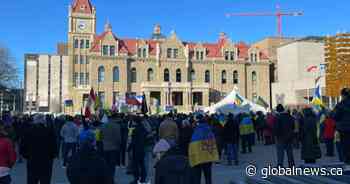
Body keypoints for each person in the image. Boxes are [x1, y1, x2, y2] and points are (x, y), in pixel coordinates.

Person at [20, 114, 58, 184]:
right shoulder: (49, 131)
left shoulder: (28, 131)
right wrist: (52, 156)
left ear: (34, 121)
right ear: (44, 121)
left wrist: (27, 156)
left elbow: (22, 146)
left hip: (32, 160)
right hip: (46, 161)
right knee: (45, 180)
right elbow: (54, 146)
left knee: (32, 180)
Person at [154, 119, 193, 184]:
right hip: (172, 141)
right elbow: (177, 134)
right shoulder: (174, 124)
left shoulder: (162, 124)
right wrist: (176, 141)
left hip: (163, 141)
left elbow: (159, 133)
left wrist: (160, 140)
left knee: (162, 160)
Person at [189, 113, 218, 184]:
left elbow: (192, 145)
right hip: (208, 157)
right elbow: (213, 143)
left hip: (198, 157)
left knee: (197, 177)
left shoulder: (195, 131)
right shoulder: (209, 130)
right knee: (208, 176)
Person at [101, 115, 121, 184]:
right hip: (113, 148)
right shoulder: (117, 126)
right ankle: (111, 180)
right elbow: (118, 138)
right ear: (114, 119)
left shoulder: (103, 126)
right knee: (112, 165)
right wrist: (119, 145)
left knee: (105, 165)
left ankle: (105, 179)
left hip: (105, 147)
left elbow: (101, 136)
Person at [333, 88, 350, 167]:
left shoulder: (341, 104)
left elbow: (335, 116)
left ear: (343, 95)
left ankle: (347, 163)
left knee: (345, 147)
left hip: (344, 129)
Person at [129, 117, 147, 184]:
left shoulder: (135, 129)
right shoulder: (143, 128)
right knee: (142, 164)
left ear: (135, 122)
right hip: (142, 148)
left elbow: (133, 141)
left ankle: (136, 179)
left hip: (136, 149)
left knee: (136, 165)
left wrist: (129, 148)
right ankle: (143, 178)